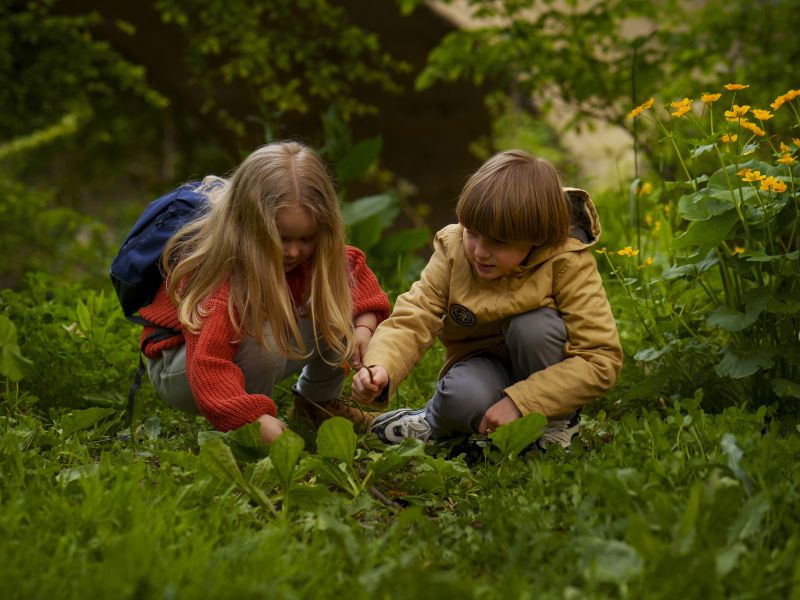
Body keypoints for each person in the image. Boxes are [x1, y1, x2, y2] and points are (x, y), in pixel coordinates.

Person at [352, 150, 622, 449]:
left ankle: (557, 422)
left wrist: (522, 403)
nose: (480, 251)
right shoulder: (454, 249)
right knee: (460, 398)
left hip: (547, 368)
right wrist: (381, 367)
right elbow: (415, 315)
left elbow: (600, 358)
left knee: (532, 325)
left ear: (537, 236)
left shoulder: (567, 260)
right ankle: (431, 420)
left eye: (498, 242)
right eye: (473, 233)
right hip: (482, 364)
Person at [139, 141, 390, 443]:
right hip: (184, 369)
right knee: (265, 341)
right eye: (281, 238)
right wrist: (253, 419)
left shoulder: (315, 252)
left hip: (233, 346)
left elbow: (353, 273)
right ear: (250, 226)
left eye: (306, 238)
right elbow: (209, 365)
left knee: (337, 303)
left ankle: (316, 404)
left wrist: (364, 325)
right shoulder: (226, 280)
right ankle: (250, 432)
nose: (295, 251)